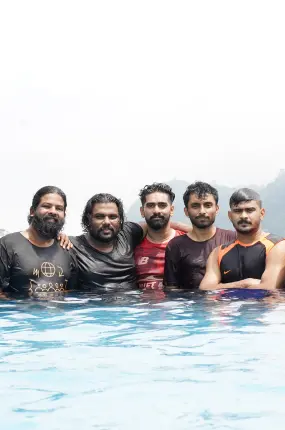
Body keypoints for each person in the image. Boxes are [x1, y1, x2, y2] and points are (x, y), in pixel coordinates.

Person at [199, 188, 285, 297]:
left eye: (250, 210)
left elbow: (268, 288)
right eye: (238, 211)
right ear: (230, 216)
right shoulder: (218, 252)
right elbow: (205, 289)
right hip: (231, 311)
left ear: (262, 213)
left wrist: (222, 287)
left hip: (266, 312)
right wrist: (244, 284)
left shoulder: (277, 246)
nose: (243, 216)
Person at [0, 186, 78, 299]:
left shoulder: (67, 247)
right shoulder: (7, 245)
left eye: (59, 208)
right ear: (32, 211)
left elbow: (71, 292)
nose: (53, 211)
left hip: (59, 315)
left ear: (64, 215)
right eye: (46, 206)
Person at [163, 181, 236, 290]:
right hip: (192, 305)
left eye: (207, 205)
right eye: (195, 206)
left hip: (229, 303)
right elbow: (171, 290)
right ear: (186, 211)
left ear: (217, 209)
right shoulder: (176, 246)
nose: (202, 211)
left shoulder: (232, 239)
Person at [70, 193, 145, 293]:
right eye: (99, 216)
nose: (106, 222)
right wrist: (58, 236)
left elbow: (151, 226)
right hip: (93, 305)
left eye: (113, 217)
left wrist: (173, 229)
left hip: (132, 305)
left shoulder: (128, 233)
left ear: (120, 220)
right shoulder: (73, 245)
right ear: (88, 219)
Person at [134, 183, 185, 290]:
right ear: (142, 211)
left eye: (162, 205)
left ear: (171, 210)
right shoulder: (131, 245)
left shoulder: (186, 243)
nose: (156, 211)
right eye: (150, 205)